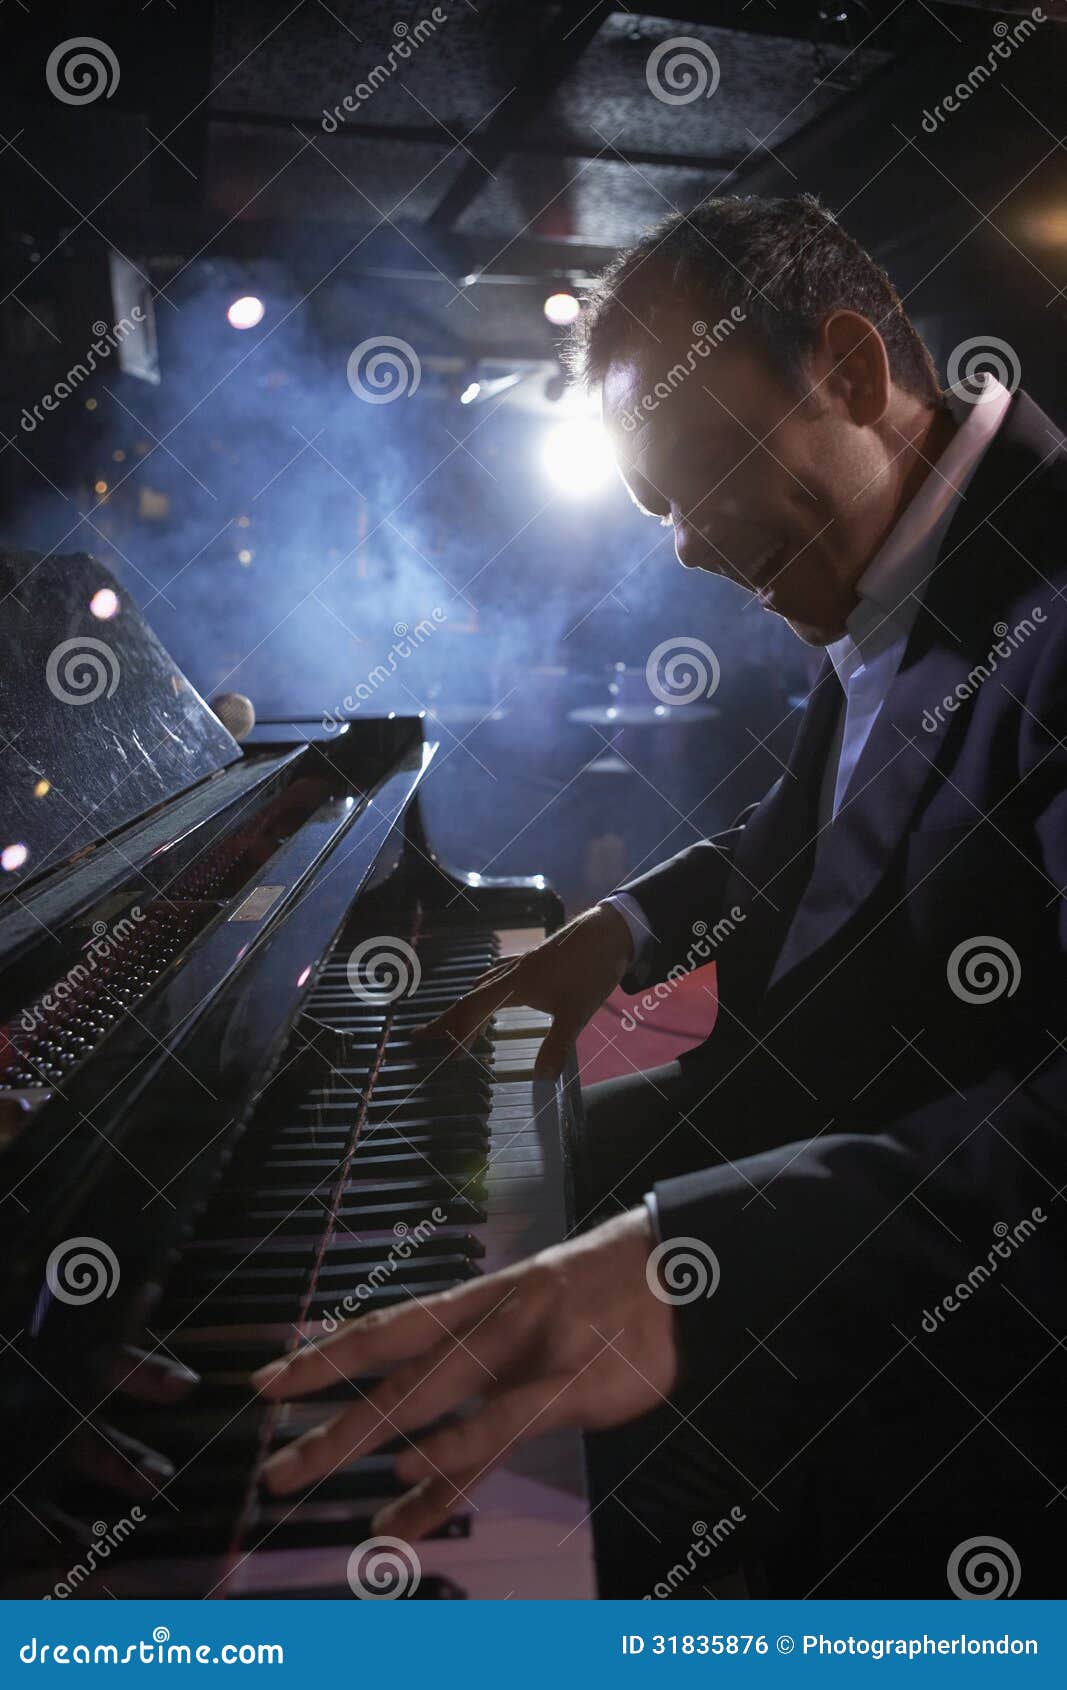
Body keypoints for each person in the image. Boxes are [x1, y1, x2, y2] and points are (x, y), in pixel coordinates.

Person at [253, 196, 1067, 1595]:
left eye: (697, 474)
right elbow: (838, 824)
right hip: (810, 1207)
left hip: (961, 1408)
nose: (687, 547)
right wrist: (615, 933)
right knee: (447, 1236)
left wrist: (692, 1253)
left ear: (854, 374)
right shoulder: (910, 556)